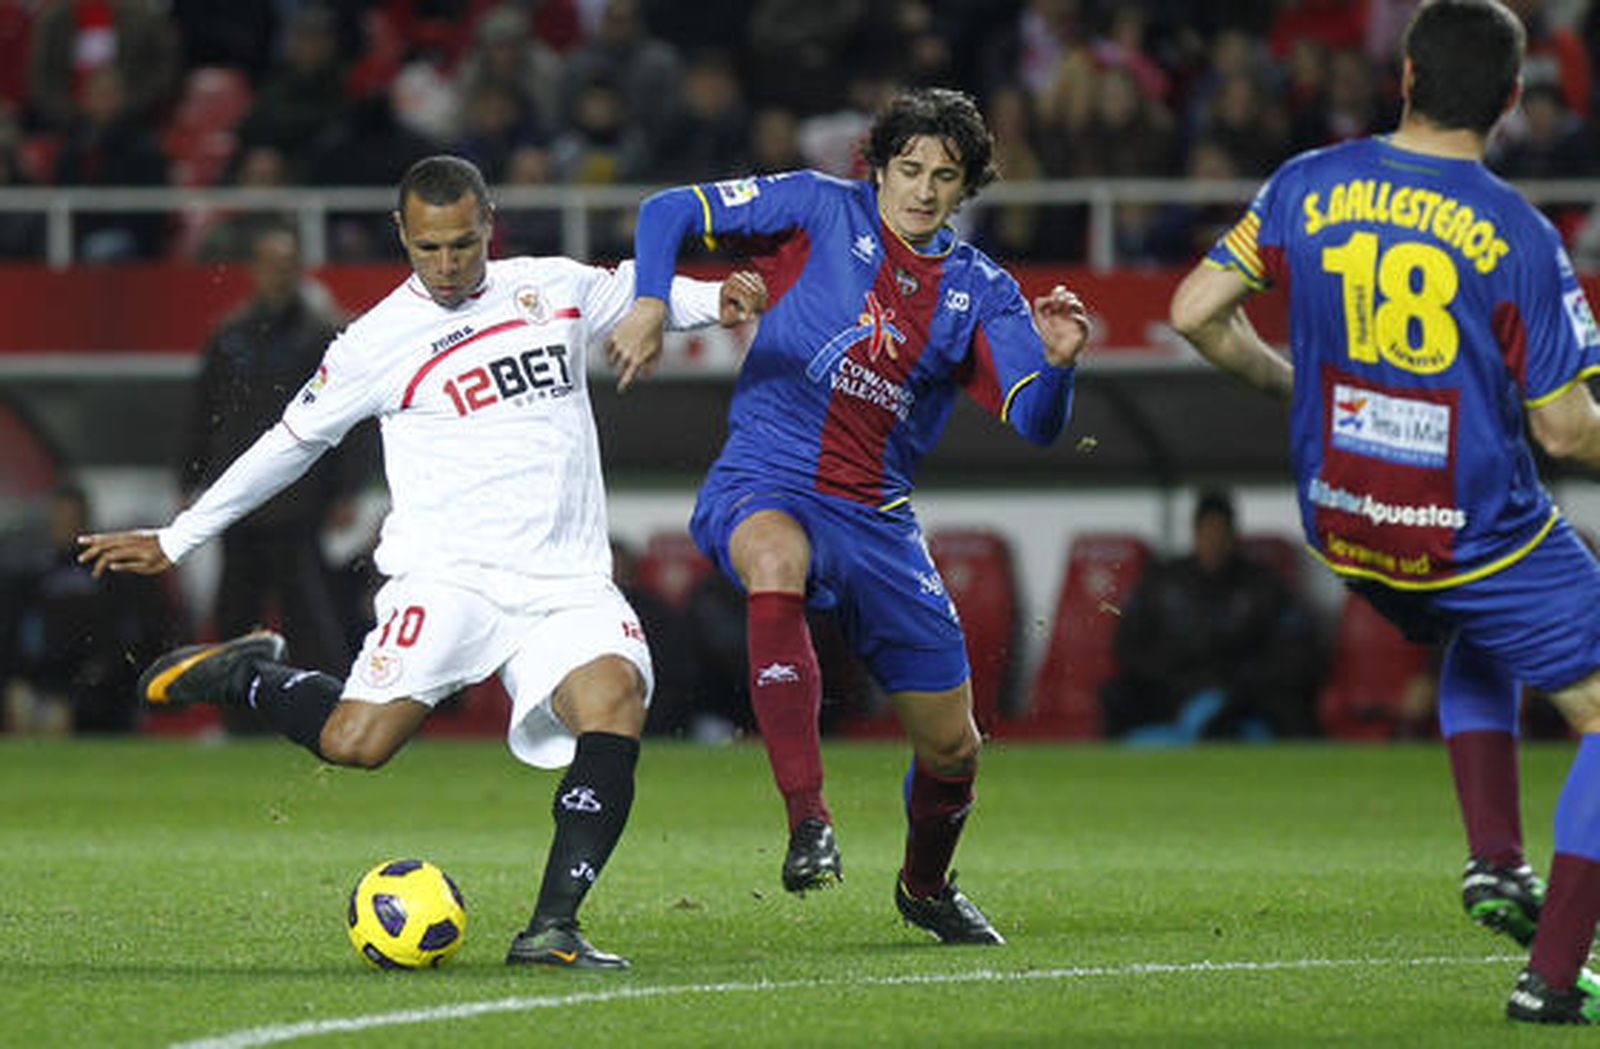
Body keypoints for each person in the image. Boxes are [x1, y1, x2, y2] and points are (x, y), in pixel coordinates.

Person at [79, 155, 766, 970]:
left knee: (614, 699)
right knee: (357, 744)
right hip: (448, 577)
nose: (446, 265)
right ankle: (247, 674)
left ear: (489, 225)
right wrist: (180, 535)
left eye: (463, 245)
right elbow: (289, 444)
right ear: (402, 235)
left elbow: (644, 291)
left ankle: (552, 926)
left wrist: (717, 299)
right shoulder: (373, 340)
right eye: (428, 247)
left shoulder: (551, 286)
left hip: (564, 581)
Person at [1168, 0, 1600, 1024]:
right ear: (1507, 100)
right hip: (1468, 529)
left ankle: (1495, 860)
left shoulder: (1303, 181)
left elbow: (1192, 313)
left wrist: (1290, 383)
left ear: (1402, 76)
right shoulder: (1514, 233)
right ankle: (1552, 975)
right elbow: (1567, 432)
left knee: (1477, 629)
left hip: (1344, 520)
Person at [605, 86, 1092, 943]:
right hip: (766, 472)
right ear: (878, 166)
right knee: (774, 559)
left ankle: (925, 887)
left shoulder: (982, 291)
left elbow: (1036, 422)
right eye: (909, 169)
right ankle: (808, 817)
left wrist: (1055, 367)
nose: (924, 190)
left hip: (875, 518)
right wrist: (650, 300)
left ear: (966, 186)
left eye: (945, 176)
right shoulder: (816, 208)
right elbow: (668, 208)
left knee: (954, 749)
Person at [179, 223, 363, 709]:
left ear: (299, 271)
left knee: (308, 610)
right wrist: (190, 478)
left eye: (286, 267)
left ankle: (330, 708)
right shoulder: (228, 334)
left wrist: (345, 489)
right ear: (253, 271)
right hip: (238, 494)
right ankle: (235, 712)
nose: (277, 276)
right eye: (269, 266)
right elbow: (205, 411)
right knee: (234, 608)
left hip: (300, 497)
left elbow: (347, 416)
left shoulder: (323, 333)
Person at [1100, 490, 1324, 743]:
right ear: (1195, 533)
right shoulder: (1161, 582)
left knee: (1285, 705)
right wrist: (1182, 679)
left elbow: (1297, 651)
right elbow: (1129, 647)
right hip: (1171, 692)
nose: (1214, 540)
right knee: (1117, 695)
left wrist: (1238, 683)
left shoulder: (1262, 585)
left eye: (1220, 532)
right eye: (1207, 531)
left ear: (1232, 535)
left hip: (1242, 696)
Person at [1, 484, 176, 735]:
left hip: (97, 679)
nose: (66, 525)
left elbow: (127, 632)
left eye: (72, 518)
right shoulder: (34, 577)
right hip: (45, 675)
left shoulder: (110, 573)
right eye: (61, 518)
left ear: (85, 521)